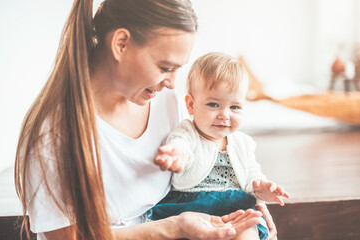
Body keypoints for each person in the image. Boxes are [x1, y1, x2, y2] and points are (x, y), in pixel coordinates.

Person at [14, 1, 277, 239]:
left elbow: (202, 159)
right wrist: (171, 227)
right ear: (121, 44)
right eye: (165, 67)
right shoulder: (53, 135)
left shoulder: (165, 100)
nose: (172, 82)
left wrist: (246, 200)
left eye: (177, 69)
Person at [150, 52, 290, 240]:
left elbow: (251, 175)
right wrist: (177, 155)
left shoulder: (243, 143)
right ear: (191, 104)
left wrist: (262, 189)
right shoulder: (189, 132)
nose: (225, 115)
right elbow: (181, 145)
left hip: (235, 208)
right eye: (214, 104)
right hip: (192, 208)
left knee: (249, 230)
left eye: (235, 107)